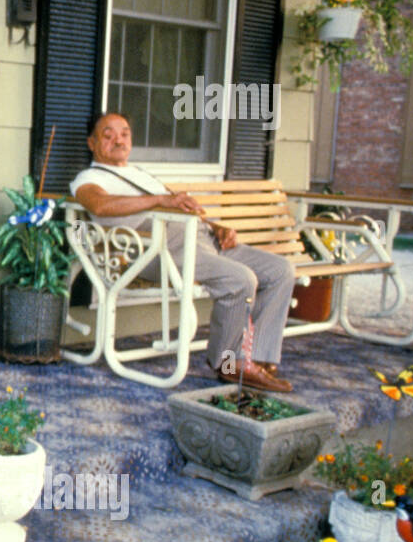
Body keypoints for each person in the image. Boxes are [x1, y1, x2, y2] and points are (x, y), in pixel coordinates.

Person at [69, 112, 295, 393]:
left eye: (124, 133)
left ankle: (256, 358)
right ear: (92, 143)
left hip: (200, 239)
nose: (119, 140)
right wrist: (162, 199)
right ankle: (229, 365)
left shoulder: (139, 174)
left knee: (280, 270)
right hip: (157, 251)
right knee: (241, 279)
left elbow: (181, 209)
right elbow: (99, 206)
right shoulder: (88, 178)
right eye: (108, 135)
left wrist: (216, 226)